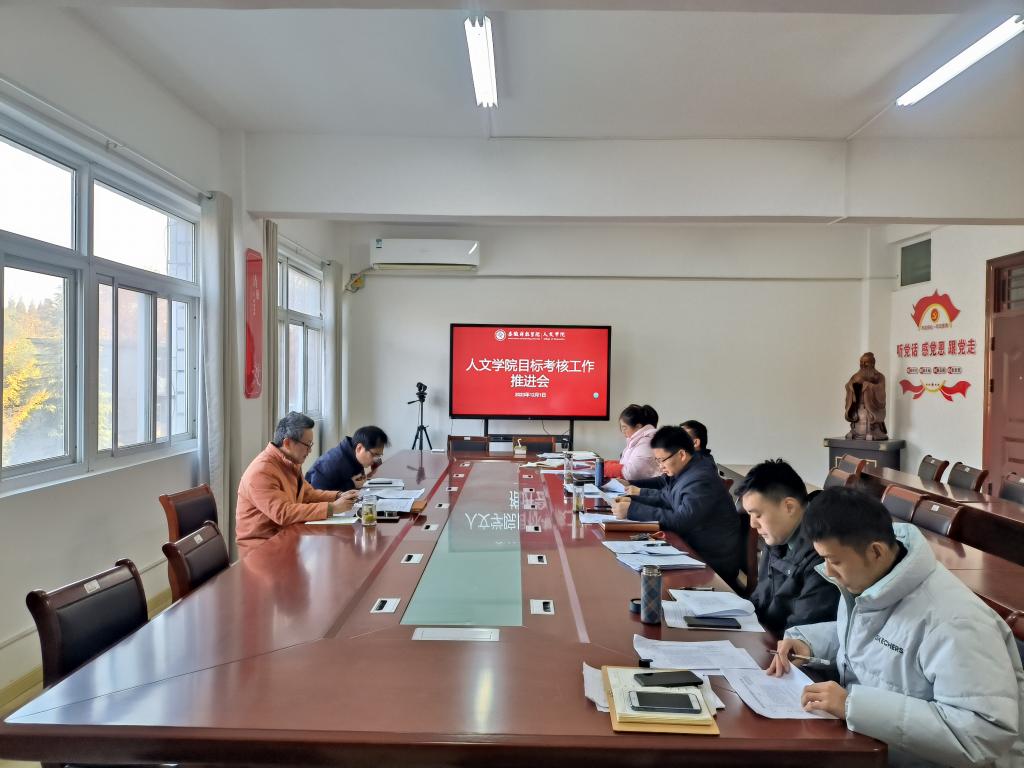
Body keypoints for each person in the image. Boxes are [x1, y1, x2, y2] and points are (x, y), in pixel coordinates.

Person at [770, 487, 1023, 768]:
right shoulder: (874, 580)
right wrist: (810, 644)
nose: (828, 571)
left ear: (876, 551)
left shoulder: (957, 622)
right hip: (871, 748)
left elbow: (983, 733)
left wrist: (853, 705)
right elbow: (873, 637)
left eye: (834, 560)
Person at [612, 426, 743, 582]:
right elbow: (666, 498)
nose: (660, 466)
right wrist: (632, 500)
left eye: (662, 460)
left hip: (711, 561)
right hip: (691, 547)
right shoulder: (688, 469)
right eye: (657, 460)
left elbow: (682, 521)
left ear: (681, 454)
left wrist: (633, 510)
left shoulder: (700, 479)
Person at [236, 412, 358, 557]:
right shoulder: (261, 471)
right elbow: (283, 513)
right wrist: (332, 508)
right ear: (287, 443)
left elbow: (307, 494)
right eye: (307, 445)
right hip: (262, 550)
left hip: (288, 538)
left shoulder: (290, 462)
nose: (310, 450)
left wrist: (338, 496)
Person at [737, 459, 838, 634]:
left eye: (758, 515)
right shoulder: (779, 536)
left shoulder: (823, 551)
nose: (753, 524)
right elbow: (760, 598)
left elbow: (802, 631)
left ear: (789, 507)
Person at [306, 425, 390, 492]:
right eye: (374, 454)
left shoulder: (354, 455)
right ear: (359, 448)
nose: (376, 459)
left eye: (379, 455)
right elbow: (317, 496)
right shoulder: (331, 463)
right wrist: (351, 485)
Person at [606, 404, 660, 483]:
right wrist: (604, 464)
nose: (622, 431)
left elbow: (631, 473)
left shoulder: (647, 442)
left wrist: (603, 468)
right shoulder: (638, 440)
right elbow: (626, 463)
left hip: (643, 488)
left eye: (624, 427)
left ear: (638, 427)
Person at [844, 352, 887, 440]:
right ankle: (855, 430)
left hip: (871, 409)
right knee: (857, 416)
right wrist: (852, 386)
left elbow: (881, 389)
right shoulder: (855, 376)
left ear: (872, 363)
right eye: (861, 362)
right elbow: (848, 385)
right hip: (857, 408)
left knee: (870, 418)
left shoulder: (879, 376)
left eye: (866, 362)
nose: (863, 365)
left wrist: (869, 386)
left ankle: (873, 430)